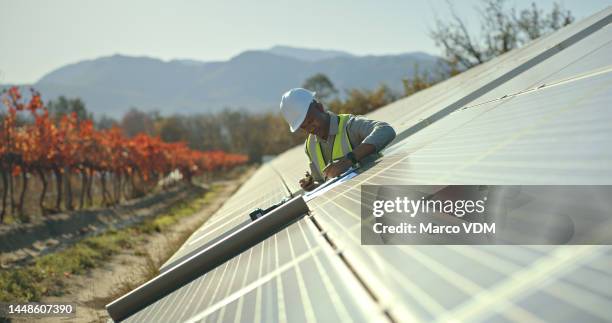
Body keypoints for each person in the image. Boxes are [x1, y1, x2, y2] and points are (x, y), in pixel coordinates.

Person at [280, 88, 396, 191]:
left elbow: (385, 130)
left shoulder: (349, 126)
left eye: (311, 120)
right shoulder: (310, 146)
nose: (310, 128)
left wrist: (348, 161)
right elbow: (322, 182)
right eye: (304, 126)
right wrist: (312, 186)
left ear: (320, 108)